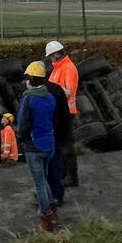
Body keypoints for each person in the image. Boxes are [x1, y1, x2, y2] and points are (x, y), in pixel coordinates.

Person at [18, 61, 58, 231]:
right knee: (44, 178)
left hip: (34, 146)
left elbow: (23, 124)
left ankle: (46, 218)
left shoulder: (28, 99)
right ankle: (53, 210)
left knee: (39, 183)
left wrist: (21, 139)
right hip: (49, 144)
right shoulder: (50, 98)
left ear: (30, 79)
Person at [44, 40, 79, 187]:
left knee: (66, 146)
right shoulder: (58, 67)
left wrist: (51, 90)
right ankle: (63, 174)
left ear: (57, 54)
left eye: (51, 56)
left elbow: (69, 92)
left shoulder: (68, 68)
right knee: (60, 146)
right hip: (59, 112)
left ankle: (71, 177)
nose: (50, 59)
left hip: (66, 113)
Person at [42, 71, 71, 205]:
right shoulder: (57, 89)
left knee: (44, 168)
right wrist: (64, 133)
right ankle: (57, 195)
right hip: (57, 133)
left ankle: (47, 197)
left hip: (44, 136)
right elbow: (65, 113)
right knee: (56, 165)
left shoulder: (36, 94)